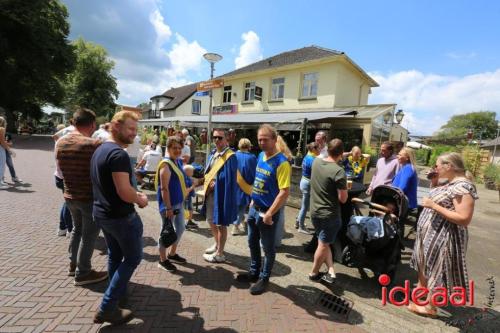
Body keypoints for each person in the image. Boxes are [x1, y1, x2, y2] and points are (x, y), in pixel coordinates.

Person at [91, 111, 148, 325]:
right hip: (120, 217)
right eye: (130, 129)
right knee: (132, 258)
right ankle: (107, 307)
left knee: (115, 254)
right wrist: (140, 198)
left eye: (136, 129)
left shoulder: (100, 150)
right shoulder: (118, 155)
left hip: (103, 214)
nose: (134, 133)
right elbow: (125, 192)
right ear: (116, 126)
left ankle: (117, 295)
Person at [408, 152, 477, 317]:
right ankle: (421, 296)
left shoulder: (463, 186)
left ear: (449, 166)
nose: (435, 168)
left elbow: (463, 218)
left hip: (444, 238)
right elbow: (445, 200)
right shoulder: (452, 183)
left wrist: (433, 205)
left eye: (438, 165)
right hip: (432, 235)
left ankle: (430, 307)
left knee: (439, 271)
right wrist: (434, 182)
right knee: (426, 267)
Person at [55, 108, 108, 286]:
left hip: (69, 195)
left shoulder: (60, 143)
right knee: (89, 235)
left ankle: (73, 264)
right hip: (88, 197)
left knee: (77, 229)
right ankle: (83, 272)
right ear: (92, 124)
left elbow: (60, 174)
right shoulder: (93, 144)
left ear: (74, 122)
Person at [236, 124, 291, 295]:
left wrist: (269, 213)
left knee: (268, 248)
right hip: (254, 208)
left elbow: (284, 192)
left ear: (274, 140)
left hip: (268, 213)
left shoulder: (282, 163)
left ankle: (264, 278)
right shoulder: (260, 155)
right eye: (259, 139)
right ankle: (254, 272)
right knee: (252, 241)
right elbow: (258, 181)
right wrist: (252, 200)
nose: (261, 142)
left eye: (265, 139)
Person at [308, 139, 348, 284]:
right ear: (342, 153)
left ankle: (330, 270)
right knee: (323, 244)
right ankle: (313, 273)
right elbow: (343, 199)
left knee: (323, 241)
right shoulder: (339, 171)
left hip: (314, 211)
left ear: (327, 149)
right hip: (329, 215)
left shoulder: (316, 162)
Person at [156, 136, 191, 272]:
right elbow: (164, 188)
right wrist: (168, 207)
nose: (177, 150)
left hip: (178, 203)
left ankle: (172, 253)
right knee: (166, 232)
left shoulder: (177, 162)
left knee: (181, 228)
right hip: (169, 206)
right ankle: (162, 260)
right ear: (168, 148)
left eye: (179, 148)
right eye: (174, 148)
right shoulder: (166, 165)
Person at [202, 129, 238, 263]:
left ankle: (220, 253)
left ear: (226, 139)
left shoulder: (231, 156)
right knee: (210, 220)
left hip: (222, 195)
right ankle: (217, 243)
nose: (216, 140)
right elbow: (209, 171)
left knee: (221, 224)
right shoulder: (213, 153)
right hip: (211, 194)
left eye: (220, 138)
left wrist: (216, 183)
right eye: (215, 137)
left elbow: (230, 179)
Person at [233, 138, 257, 236]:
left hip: (235, 185)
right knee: (242, 207)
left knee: (238, 206)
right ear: (249, 146)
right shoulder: (252, 157)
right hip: (246, 185)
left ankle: (241, 221)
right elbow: (254, 172)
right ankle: (235, 226)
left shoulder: (234, 155)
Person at [53, 124, 74, 236]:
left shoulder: (58, 143)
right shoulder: (64, 145)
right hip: (65, 178)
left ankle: (62, 227)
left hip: (59, 177)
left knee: (67, 203)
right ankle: (69, 229)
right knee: (69, 203)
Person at [295, 142, 320, 234]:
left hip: (304, 181)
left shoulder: (307, 156)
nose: (320, 150)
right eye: (318, 149)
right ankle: (301, 227)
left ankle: (298, 222)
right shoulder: (312, 160)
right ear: (313, 149)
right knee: (305, 207)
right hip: (308, 184)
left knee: (303, 206)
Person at [274, 135, 293, 247]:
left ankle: (274, 241)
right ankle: (278, 240)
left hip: (276, 188)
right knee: (281, 213)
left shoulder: (277, 158)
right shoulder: (288, 157)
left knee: (276, 214)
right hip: (285, 187)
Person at [183, 164, 198, 230]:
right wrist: (193, 185)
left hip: (188, 197)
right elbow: (187, 190)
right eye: (191, 172)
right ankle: (185, 223)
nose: (193, 173)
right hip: (186, 198)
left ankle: (189, 221)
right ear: (187, 172)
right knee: (186, 210)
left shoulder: (188, 178)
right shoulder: (185, 179)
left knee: (191, 209)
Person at [0, 117, 11, 190]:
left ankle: (1, 181)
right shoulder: (2, 129)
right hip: (0, 148)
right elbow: (2, 141)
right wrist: (9, 150)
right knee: (1, 165)